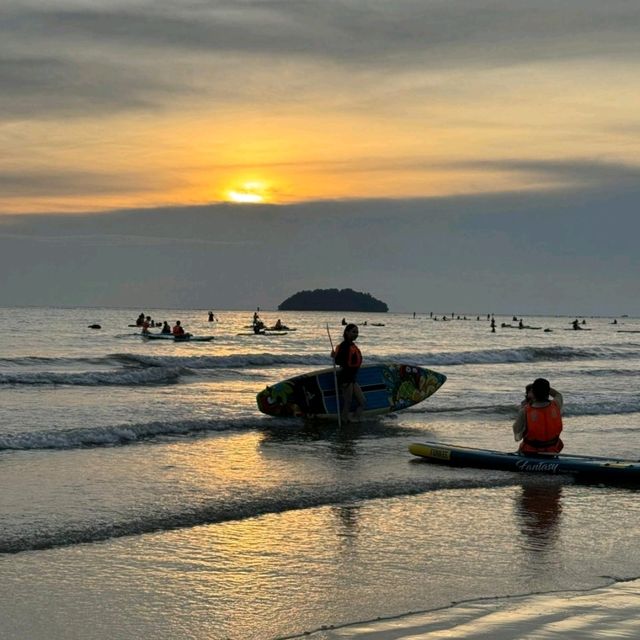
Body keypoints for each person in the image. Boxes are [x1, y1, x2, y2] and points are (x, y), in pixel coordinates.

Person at [513, 378, 564, 454]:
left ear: (533, 393)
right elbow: (557, 394)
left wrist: (522, 407)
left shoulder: (525, 411)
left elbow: (517, 435)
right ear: (548, 391)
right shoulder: (556, 404)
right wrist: (543, 388)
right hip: (553, 451)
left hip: (530, 452)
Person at [332, 323, 366, 422]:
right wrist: (334, 356)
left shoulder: (352, 346)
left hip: (352, 378)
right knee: (348, 402)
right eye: (353, 332)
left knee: (362, 402)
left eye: (357, 332)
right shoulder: (344, 346)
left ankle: (355, 419)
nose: (356, 334)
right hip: (345, 378)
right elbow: (338, 361)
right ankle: (344, 420)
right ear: (347, 332)